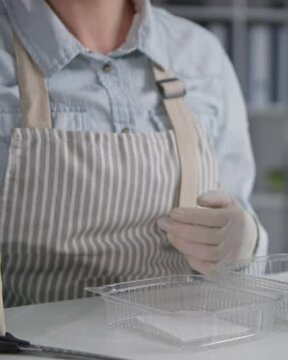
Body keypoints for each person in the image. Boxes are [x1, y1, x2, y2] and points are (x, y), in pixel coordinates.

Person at [0, 0, 267, 307]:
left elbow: (240, 215)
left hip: (179, 345)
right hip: (29, 352)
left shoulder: (199, 54)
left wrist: (246, 245)